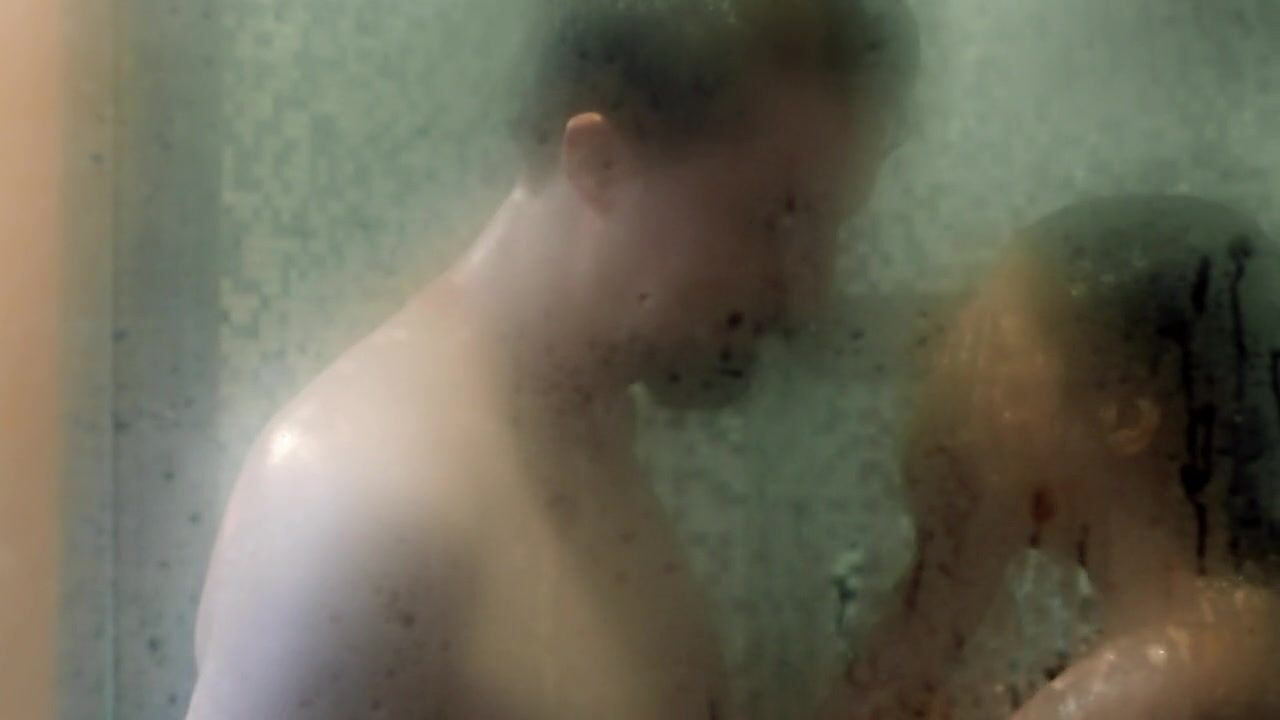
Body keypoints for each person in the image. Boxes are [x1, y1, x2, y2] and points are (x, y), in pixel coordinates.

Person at [185, 1, 918, 718]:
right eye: (770, 219)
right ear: (598, 165)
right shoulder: (365, 505)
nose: (807, 288)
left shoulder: (585, 418)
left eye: (825, 229)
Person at [821, 195, 1280, 719]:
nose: (961, 408)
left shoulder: (1147, 682)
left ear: (1124, 416)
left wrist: (943, 572)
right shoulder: (1229, 635)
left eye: (991, 358)